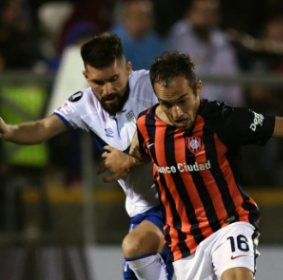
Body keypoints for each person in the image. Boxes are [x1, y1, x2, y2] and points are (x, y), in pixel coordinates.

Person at [100, 51, 283, 280]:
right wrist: (126, 159)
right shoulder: (146, 126)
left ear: (197, 88)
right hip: (183, 242)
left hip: (228, 223)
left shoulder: (224, 120)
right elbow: (138, 154)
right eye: (167, 104)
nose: (177, 113)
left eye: (182, 101)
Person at [0, 33, 173, 280]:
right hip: (143, 208)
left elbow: (180, 136)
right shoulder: (84, 104)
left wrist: (131, 158)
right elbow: (42, 128)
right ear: (86, 77)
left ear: (128, 68)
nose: (108, 90)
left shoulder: (152, 87)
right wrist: (9, 131)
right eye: (98, 83)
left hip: (179, 198)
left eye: (114, 79)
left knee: (136, 248)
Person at [166, 0, 243, 106]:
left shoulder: (222, 42)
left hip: (219, 110)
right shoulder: (180, 36)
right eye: (202, 12)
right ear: (190, 14)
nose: (206, 18)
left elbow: (232, 82)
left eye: (211, 13)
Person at [110, 0, 165, 70]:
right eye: (140, 15)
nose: (145, 20)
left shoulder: (154, 41)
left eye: (148, 16)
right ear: (127, 17)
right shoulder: (113, 42)